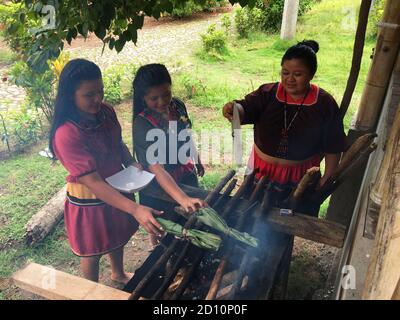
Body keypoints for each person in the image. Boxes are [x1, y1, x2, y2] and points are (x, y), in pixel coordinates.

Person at [49, 58, 164, 284]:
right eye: (89, 95)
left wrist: (130, 162)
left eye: (100, 91)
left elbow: (118, 143)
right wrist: (135, 209)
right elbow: (94, 182)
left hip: (119, 184)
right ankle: (92, 290)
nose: (97, 99)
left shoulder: (107, 112)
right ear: (70, 95)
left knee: (116, 235)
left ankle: (118, 273)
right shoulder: (66, 134)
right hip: (89, 197)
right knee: (91, 249)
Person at [222, 40, 347, 216]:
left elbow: (333, 146)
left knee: (287, 219)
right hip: (261, 171)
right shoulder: (268, 93)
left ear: (311, 74)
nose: (289, 79)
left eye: (298, 74)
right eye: (285, 72)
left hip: (299, 177)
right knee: (251, 214)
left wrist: (328, 176)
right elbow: (246, 108)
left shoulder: (324, 104)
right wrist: (234, 109)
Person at [132, 63, 206, 247]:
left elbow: (185, 134)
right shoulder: (142, 124)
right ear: (143, 98)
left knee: (185, 221)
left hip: (184, 172)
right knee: (163, 222)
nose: (162, 101)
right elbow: (157, 168)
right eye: (154, 98)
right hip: (159, 182)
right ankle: (157, 247)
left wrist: (196, 159)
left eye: (166, 94)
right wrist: (182, 198)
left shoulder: (178, 106)